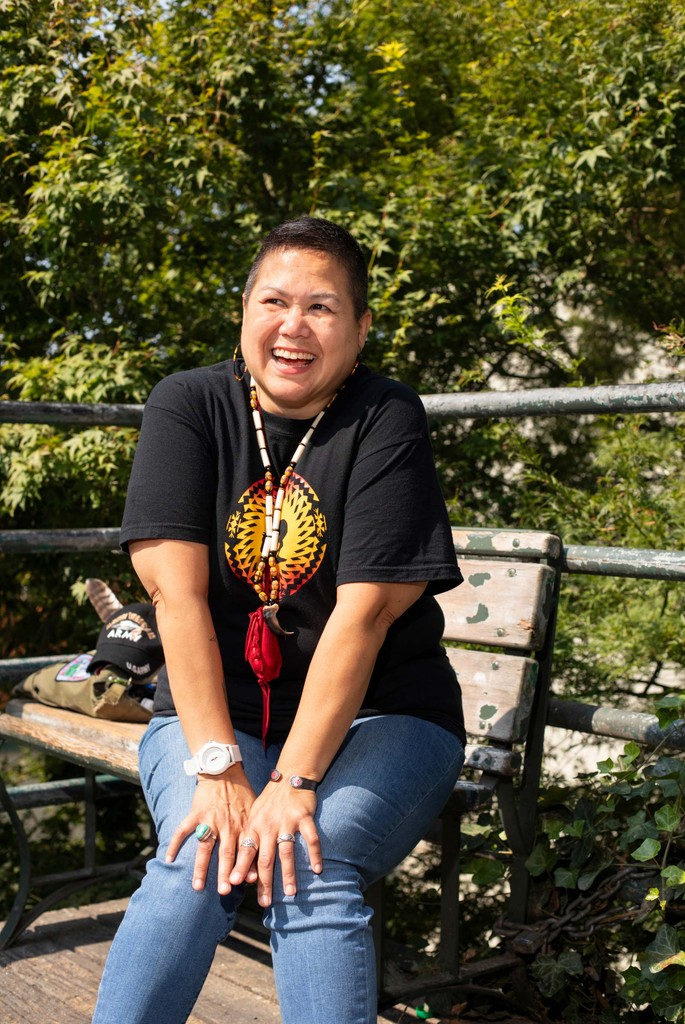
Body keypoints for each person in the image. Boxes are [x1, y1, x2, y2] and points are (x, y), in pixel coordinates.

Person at [92, 216, 466, 1024]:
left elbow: (362, 618)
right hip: (213, 716)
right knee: (204, 851)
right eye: (275, 301)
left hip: (384, 715)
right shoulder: (188, 405)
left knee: (307, 854)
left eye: (323, 308)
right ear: (243, 311)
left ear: (360, 329)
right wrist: (222, 770)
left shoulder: (384, 417)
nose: (294, 327)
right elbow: (176, 597)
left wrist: (293, 784)